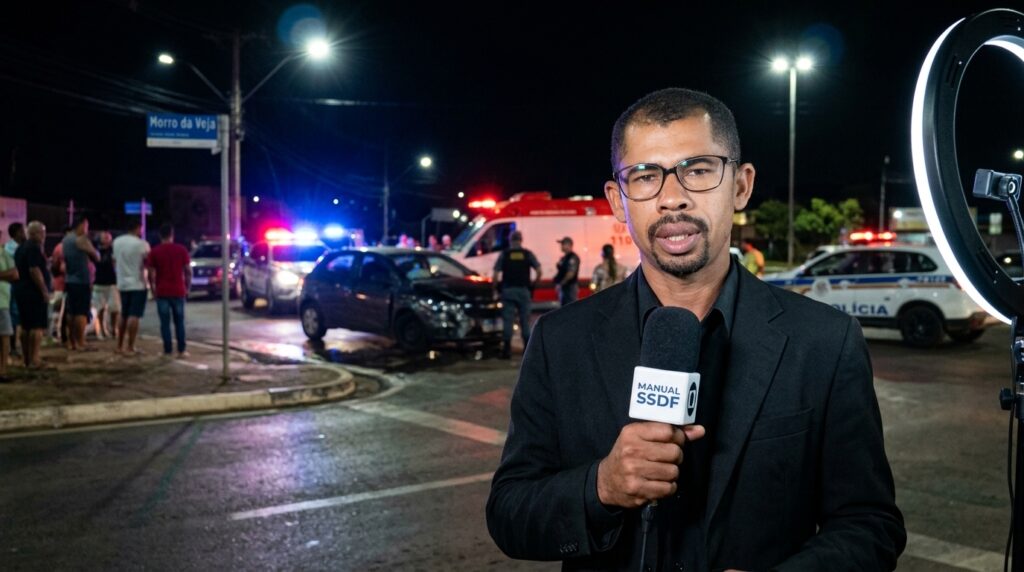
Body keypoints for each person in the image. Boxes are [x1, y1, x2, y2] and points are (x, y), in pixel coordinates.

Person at [486, 88, 905, 571]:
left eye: (699, 170)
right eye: (646, 176)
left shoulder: (825, 341)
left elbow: (870, 525)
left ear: (741, 186)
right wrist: (601, 486)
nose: (672, 198)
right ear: (618, 201)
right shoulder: (560, 340)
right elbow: (509, 514)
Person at [492, 230, 542, 359]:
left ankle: (506, 350)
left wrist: (495, 288)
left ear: (510, 240)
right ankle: (527, 351)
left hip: (508, 291)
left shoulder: (505, 254)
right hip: (524, 291)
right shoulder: (527, 254)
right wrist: (533, 286)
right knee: (525, 321)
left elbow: (496, 274)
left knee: (508, 321)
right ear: (521, 240)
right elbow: (539, 271)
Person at [146, 223, 191, 357]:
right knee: (179, 322)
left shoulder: (155, 251)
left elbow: (151, 274)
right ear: (172, 235)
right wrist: (187, 287)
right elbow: (188, 271)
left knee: (165, 323)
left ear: (160, 235)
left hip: (162, 291)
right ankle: (182, 350)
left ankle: (167, 350)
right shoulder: (181, 250)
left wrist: (153, 289)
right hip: (178, 290)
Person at [13, 221, 51, 369]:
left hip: (21, 290)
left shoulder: (20, 248)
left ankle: (27, 359)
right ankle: (34, 359)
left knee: (25, 326)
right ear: (34, 233)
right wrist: (44, 290)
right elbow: (34, 270)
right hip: (33, 291)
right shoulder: (33, 248)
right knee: (36, 326)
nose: (44, 236)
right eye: (42, 232)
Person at [62, 216, 100, 350]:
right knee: (81, 313)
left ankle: (71, 341)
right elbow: (96, 256)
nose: (87, 229)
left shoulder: (66, 239)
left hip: (70, 279)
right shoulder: (80, 239)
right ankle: (81, 342)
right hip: (81, 281)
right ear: (82, 225)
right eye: (86, 226)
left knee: (71, 312)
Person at [113, 220, 150, 354]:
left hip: (122, 283)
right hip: (137, 283)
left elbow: (114, 260)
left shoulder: (117, 242)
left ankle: (119, 345)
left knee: (124, 314)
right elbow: (147, 262)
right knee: (134, 315)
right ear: (138, 228)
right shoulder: (142, 244)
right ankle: (130, 346)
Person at [91, 230, 119, 340]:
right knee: (100, 308)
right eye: (104, 237)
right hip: (98, 282)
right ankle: (102, 329)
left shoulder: (114, 250)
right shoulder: (95, 250)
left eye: (108, 237)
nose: (107, 238)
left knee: (115, 308)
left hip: (112, 282)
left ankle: (114, 329)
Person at [0, 228, 19, 381]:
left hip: (3, 300)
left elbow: (14, 274)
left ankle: (2, 369)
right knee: (4, 335)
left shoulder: (3, 253)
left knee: (4, 335)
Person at [6, 222, 25, 357]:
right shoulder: (13, 248)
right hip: (13, 285)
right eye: (23, 231)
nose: (25, 233)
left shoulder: (13, 246)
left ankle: (13, 345)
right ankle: (12, 347)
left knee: (14, 316)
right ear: (18, 233)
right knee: (13, 315)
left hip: (15, 285)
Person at [553, 236, 580, 306]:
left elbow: (571, 274)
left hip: (570, 287)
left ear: (569, 245)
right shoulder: (564, 258)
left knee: (571, 308)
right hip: (564, 288)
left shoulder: (573, 258)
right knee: (564, 307)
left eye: (563, 244)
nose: (561, 246)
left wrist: (561, 283)